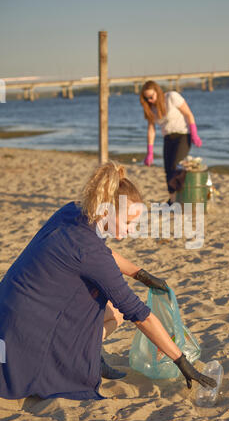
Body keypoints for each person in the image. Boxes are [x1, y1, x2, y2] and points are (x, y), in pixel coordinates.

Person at [0, 161, 215, 401]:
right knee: (119, 311)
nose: (132, 230)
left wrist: (140, 274)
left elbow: (96, 251)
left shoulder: (74, 212)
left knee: (111, 310)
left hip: (8, 314)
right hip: (23, 337)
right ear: (106, 211)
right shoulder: (91, 253)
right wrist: (181, 360)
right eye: (127, 222)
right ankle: (82, 354)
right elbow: (139, 315)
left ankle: (91, 352)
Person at [140, 80, 203, 205]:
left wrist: (194, 134)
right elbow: (151, 130)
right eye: (146, 99)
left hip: (183, 135)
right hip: (168, 138)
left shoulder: (171, 97)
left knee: (175, 166)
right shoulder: (151, 109)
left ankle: (182, 196)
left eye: (151, 97)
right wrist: (150, 152)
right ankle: (173, 200)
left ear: (157, 92)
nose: (150, 101)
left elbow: (189, 114)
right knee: (168, 170)